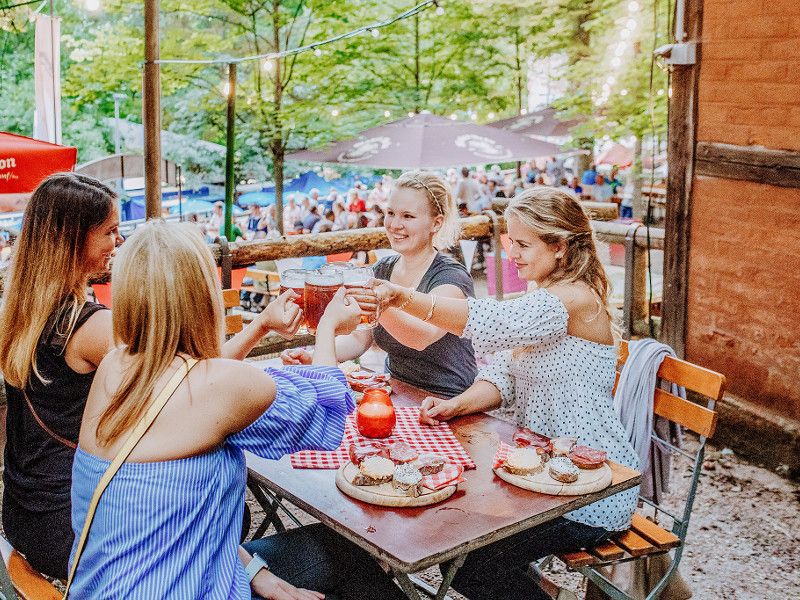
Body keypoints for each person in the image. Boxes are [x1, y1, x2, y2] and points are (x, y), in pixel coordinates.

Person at [67, 221, 407, 600]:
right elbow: (327, 412)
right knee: (359, 559)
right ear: (203, 294)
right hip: (189, 587)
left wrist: (256, 571)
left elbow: (179, 520)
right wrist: (326, 330)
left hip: (115, 585)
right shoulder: (224, 386)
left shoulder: (115, 366)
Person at [0, 173, 306, 581]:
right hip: (76, 528)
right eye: (110, 232)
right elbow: (193, 385)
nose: (120, 242)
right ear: (73, 240)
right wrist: (261, 326)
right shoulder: (90, 327)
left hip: (25, 510)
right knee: (230, 507)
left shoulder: (21, 309)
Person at [363, 186, 639, 600]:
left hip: (591, 488)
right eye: (511, 242)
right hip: (541, 476)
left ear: (560, 246)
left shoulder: (574, 297)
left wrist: (403, 297)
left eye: (523, 244)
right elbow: (507, 375)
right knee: (462, 542)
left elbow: (492, 321)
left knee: (471, 561)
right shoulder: (547, 293)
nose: (513, 254)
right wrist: (458, 404)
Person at [283, 170, 478, 399]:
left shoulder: (452, 276)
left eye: (408, 216)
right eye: (391, 213)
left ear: (436, 223)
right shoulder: (382, 269)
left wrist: (378, 302)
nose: (395, 224)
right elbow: (361, 337)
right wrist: (320, 356)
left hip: (449, 400)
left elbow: (421, 337)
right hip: (395, 391)